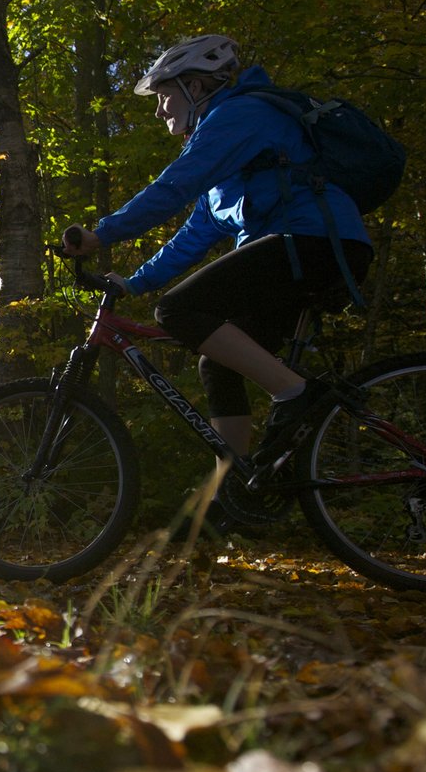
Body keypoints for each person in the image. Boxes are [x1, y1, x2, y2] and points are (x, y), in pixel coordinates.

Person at [61, 34, 373, 467]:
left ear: (197, 86)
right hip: (301, 252)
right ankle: (237, 486)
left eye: (164, 95)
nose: (158, 110)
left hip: (314, 243)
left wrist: (102, 234)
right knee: (218, 364)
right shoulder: (229, 154)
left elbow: (174, 187)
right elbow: (195, 233)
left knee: (176, 310)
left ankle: (296, 393)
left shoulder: (239, 115)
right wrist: (136, 282)